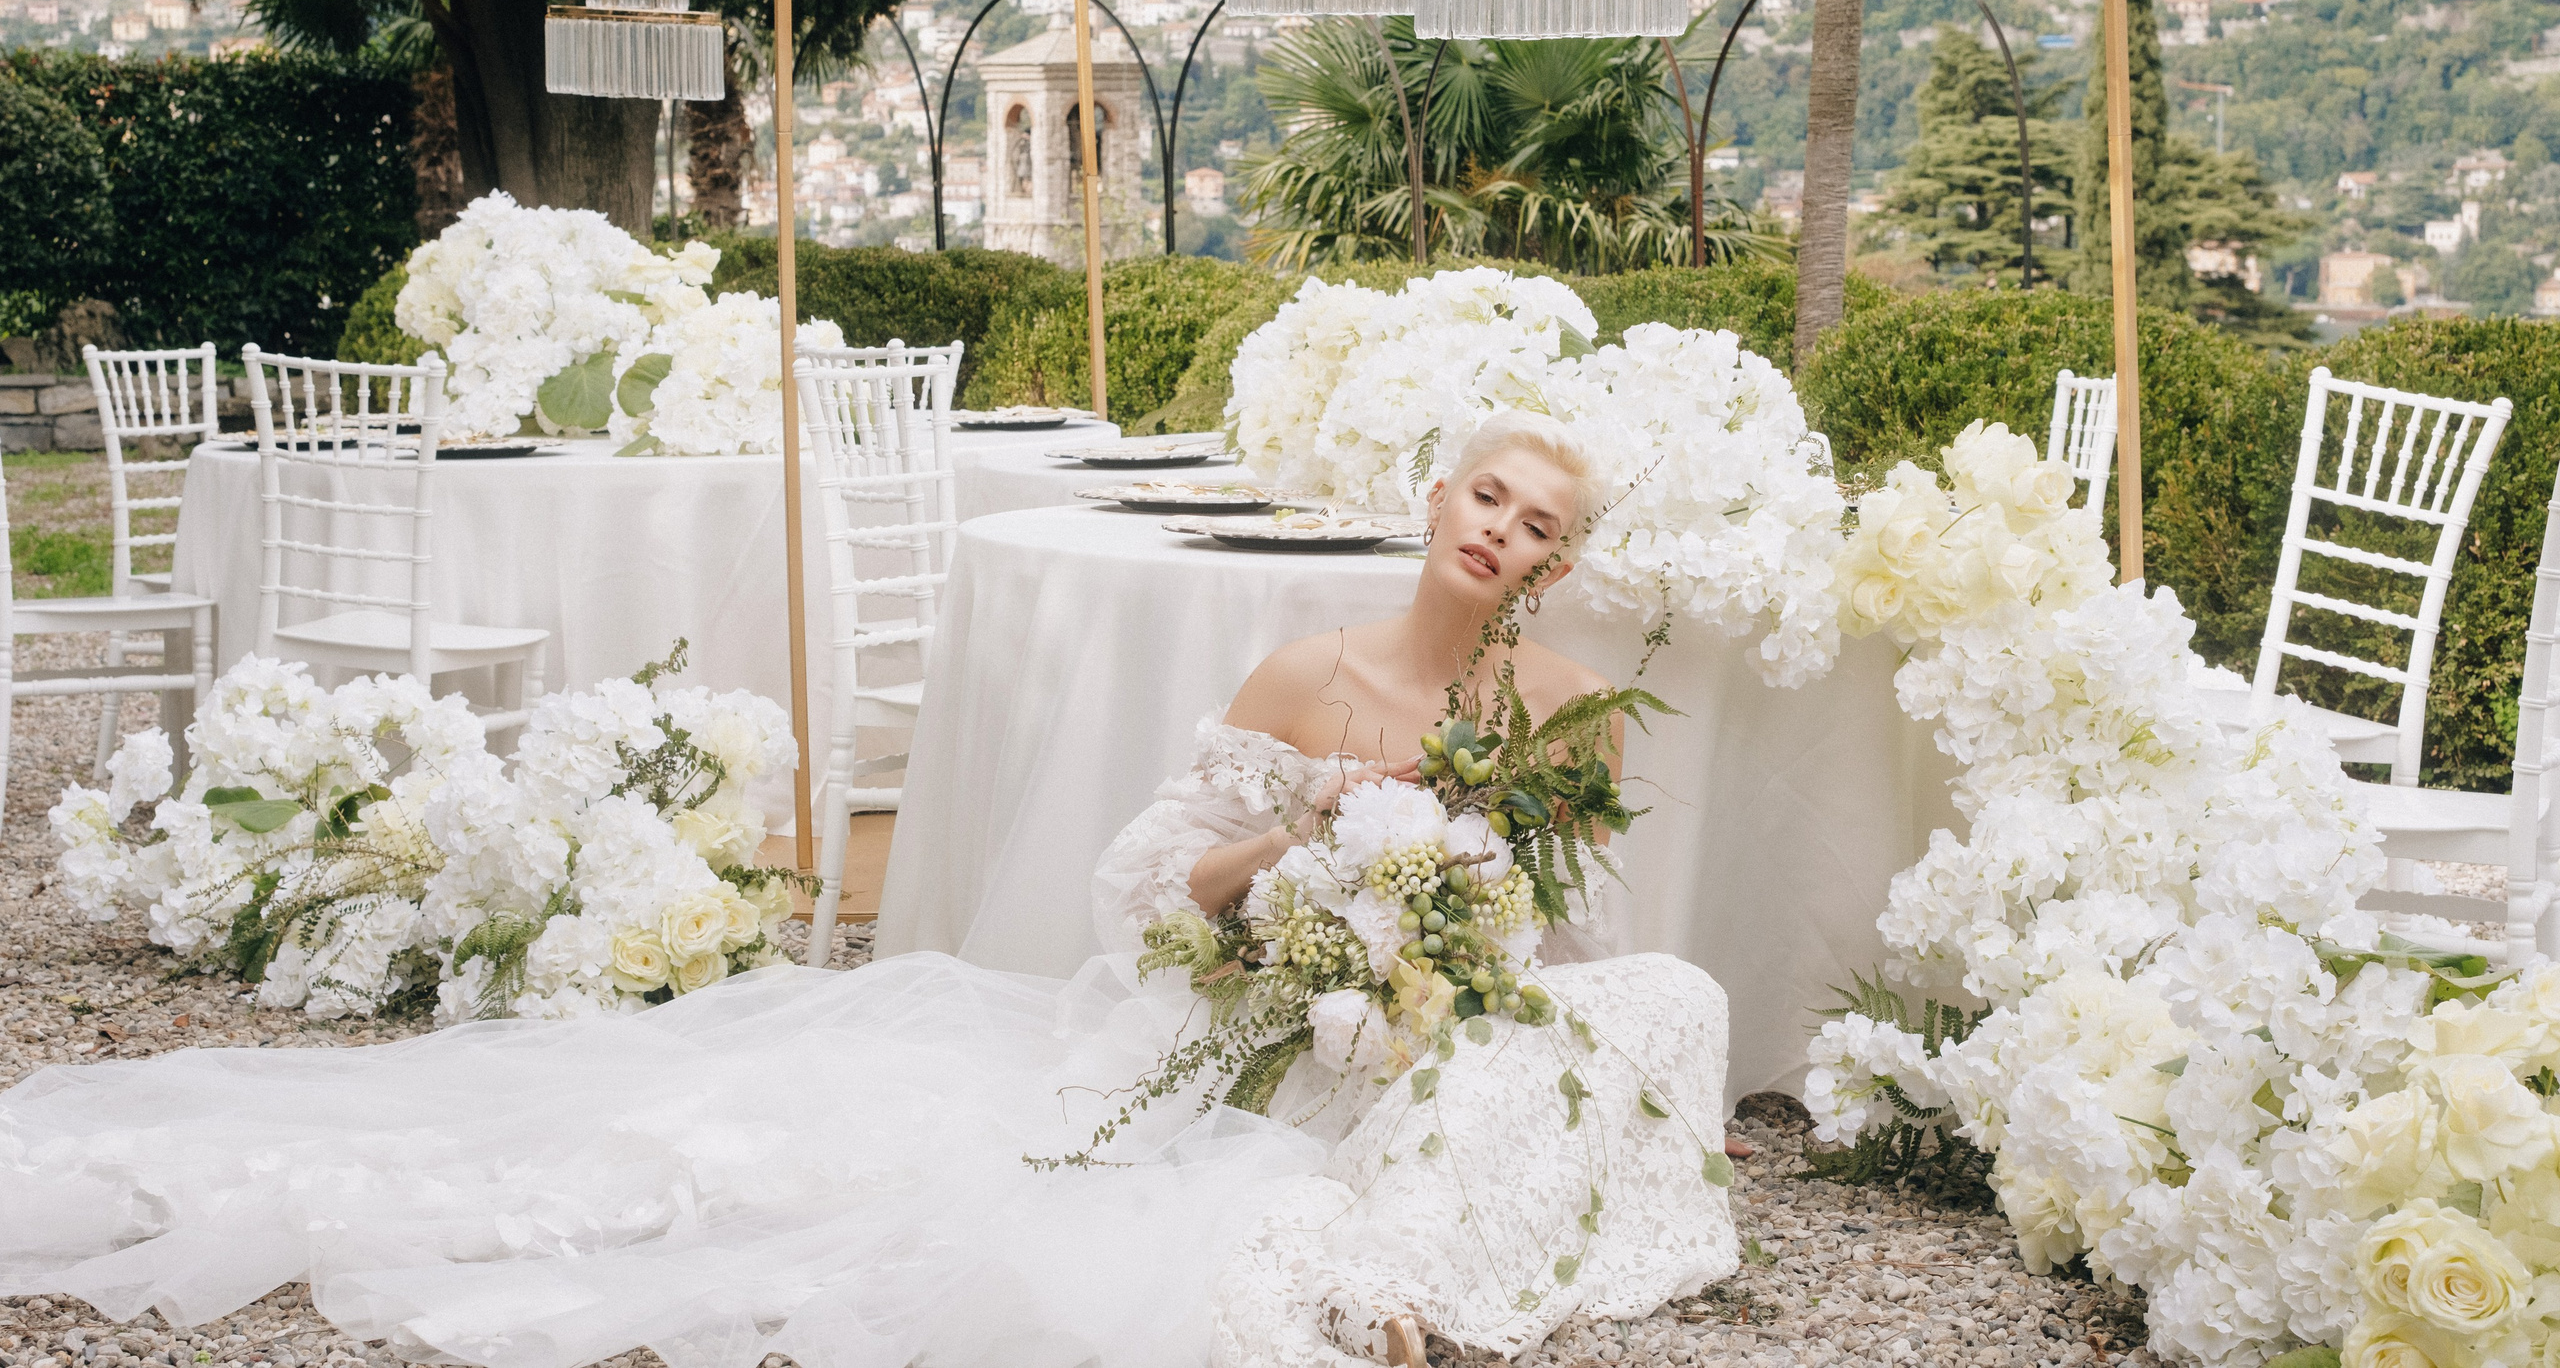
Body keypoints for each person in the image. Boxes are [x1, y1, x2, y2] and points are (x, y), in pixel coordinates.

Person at [0, 412, 1736, 1368]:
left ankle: (1445, 1246)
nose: (1497, 530)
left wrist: (1464, 948)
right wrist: (1303, 849)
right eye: (1483, 494)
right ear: (1437, 497)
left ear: (1556, 564)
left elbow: (1575, 926)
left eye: (1534, 523)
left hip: (1426, 1014)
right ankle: (1380, 1275)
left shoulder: (1567, 712)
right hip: (1278, 1007)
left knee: (1664, 1004)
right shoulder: (1306, 668)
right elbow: (1148, 884)